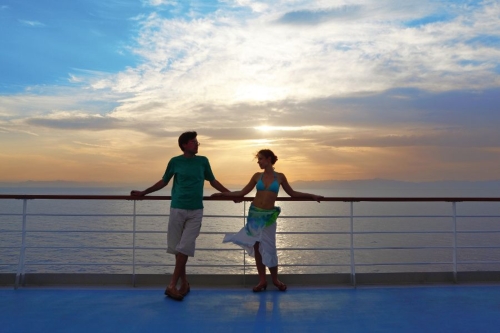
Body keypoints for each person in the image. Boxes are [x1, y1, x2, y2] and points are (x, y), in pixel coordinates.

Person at [130, 131, 230, 301]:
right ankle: (184, 283)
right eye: (193, 142)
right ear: (184, 145)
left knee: (184, 247)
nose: (197, 144)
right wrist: (144, 193)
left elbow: (212, 181)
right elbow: (164, 181)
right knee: (178, 249)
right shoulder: (175, 162)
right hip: (177, 208)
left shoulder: (203, 161)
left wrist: (230, 194)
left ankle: (171, 286)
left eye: (197, 142)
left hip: (196, 210)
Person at [212, 149, 323, 292]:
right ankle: (262, 281)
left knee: (270, 247)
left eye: (261, 159)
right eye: (258, 159)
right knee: (257, 248)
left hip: (269, 216)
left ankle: (275, 280)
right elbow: (241, 193)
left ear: (269, 159)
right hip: (254, 215)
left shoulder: (280, 177)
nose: (259, 162)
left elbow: (292, 193)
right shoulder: (257, 176)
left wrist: (312, 196)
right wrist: (223, 195)